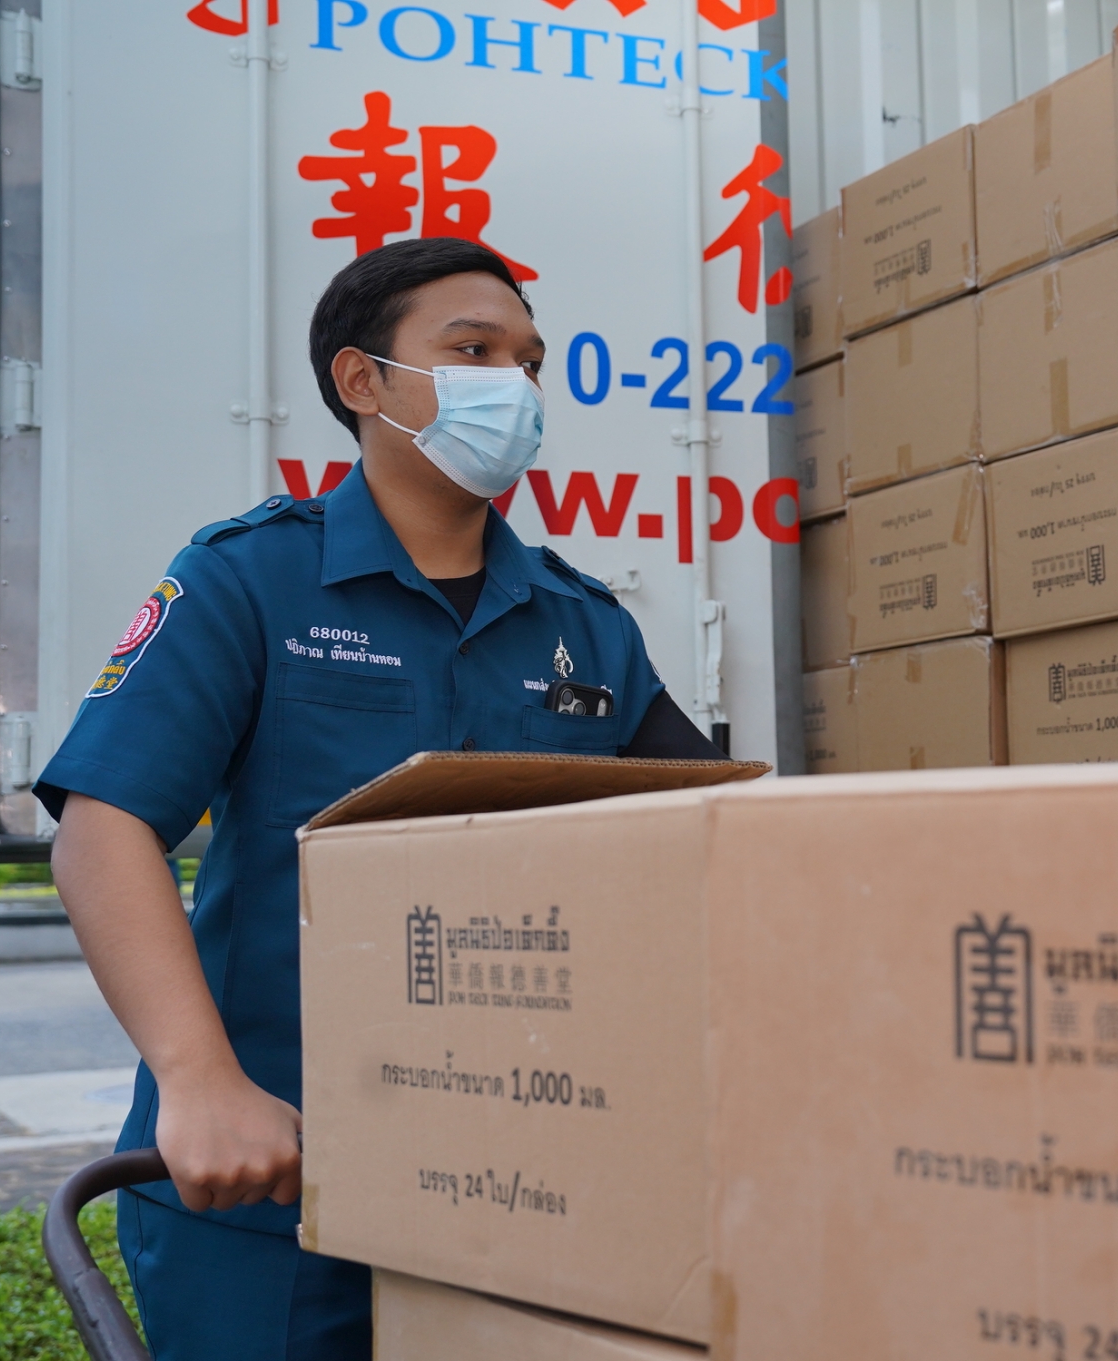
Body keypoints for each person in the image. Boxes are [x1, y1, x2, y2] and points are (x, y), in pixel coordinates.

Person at [38, 238, 721, 1360]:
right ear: (364, 381)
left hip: (515, 1180)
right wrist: (200, 1081)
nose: (516, 385)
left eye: (528, 361)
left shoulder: (585, 623)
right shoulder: (248, 579)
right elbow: (103, 830)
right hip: (272, 1179)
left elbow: (716, 833)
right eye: (475, 350)